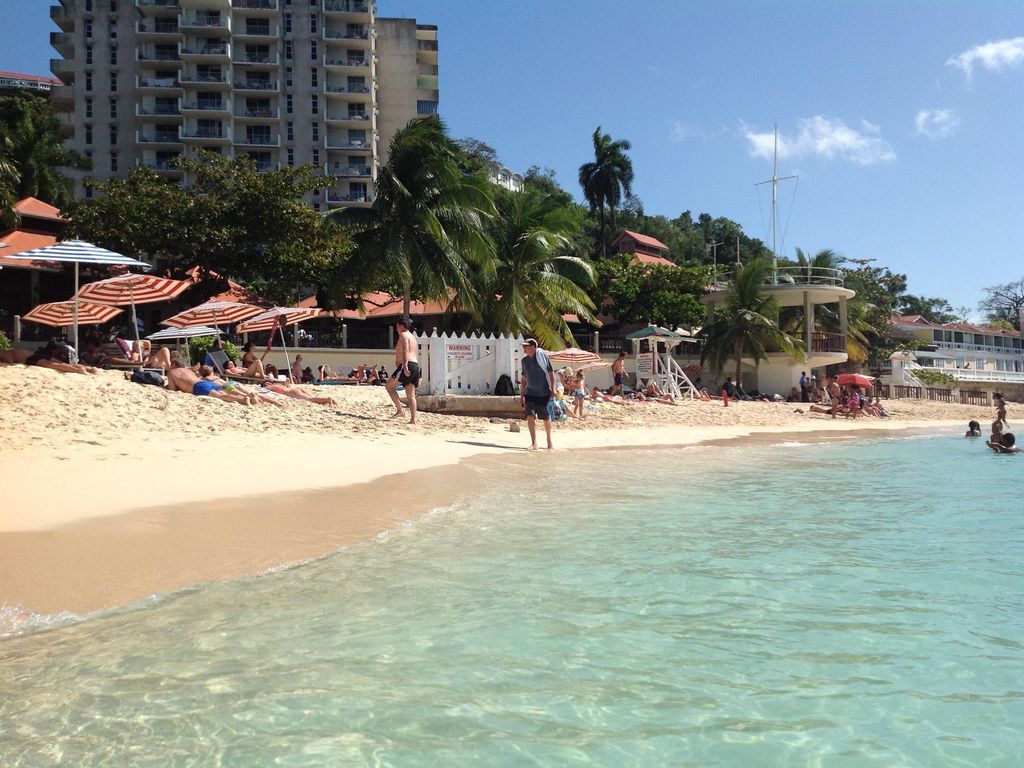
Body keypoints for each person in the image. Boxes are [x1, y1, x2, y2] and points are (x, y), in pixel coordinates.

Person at [519, 337, 556, 450]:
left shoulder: (542, 358)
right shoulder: (524, 361)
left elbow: (551, 373)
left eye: (526, 346)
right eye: (523, 346)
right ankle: (534, 443)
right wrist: (522, 396)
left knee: (546, 418)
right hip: (530, 393)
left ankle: (549, 440)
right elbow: (523, 379)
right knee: (530, 416)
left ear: (533, 347)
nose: (524, 348)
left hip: (544, 393)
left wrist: (553, 389)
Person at [386, 317, 421, 424]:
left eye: (397, 326)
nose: (396, 329)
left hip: (407, 364)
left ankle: (400, 410)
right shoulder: (413, 337)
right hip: (415, 365)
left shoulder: (403, 335)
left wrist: (405, 365)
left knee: (389, 387)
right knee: (411, 394)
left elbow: (406, 350)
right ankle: (413, 419)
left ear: (401, 326)